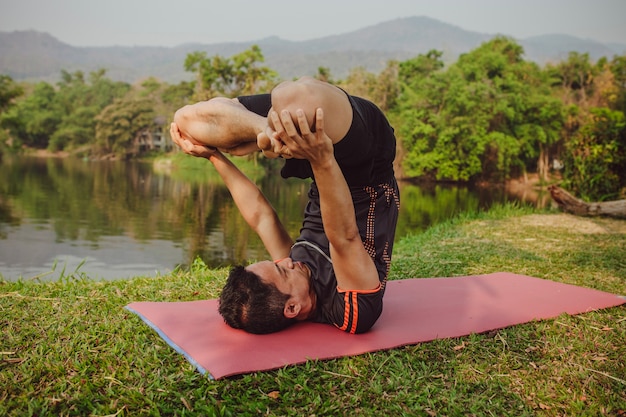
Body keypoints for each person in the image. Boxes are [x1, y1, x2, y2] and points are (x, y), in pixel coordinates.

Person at [170, 77, 399, 334]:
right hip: (365, 162)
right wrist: (322, 159)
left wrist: (213, 155)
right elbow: (343, 237)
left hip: (311, 153)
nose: (287, 261)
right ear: (292, 308)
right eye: (282, 270)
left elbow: (261, 217)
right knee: (295, 97)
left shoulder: (294, 270)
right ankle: (276, 132)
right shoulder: (350, 310)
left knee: (187, 123)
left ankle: (269, 132)